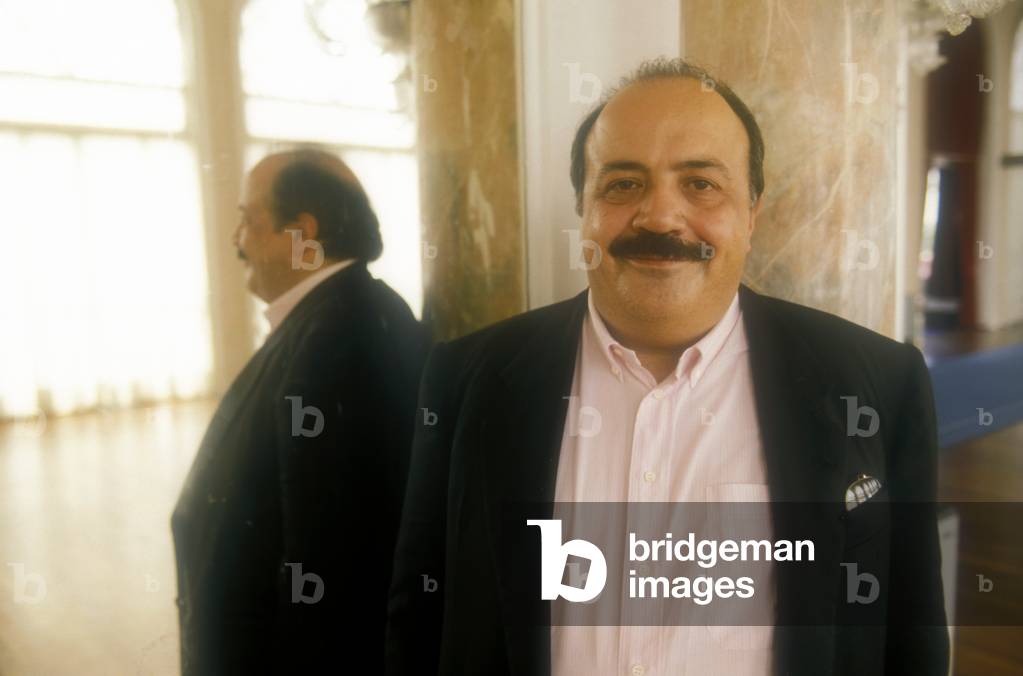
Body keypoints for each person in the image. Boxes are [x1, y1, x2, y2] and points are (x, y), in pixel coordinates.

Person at [386, 58, 948, 676]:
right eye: (622, 183)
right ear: (584, 207)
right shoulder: (466, 379)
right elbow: (420, 615)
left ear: (752, 212)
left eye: (701, 183)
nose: (659, 216)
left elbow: (910, 629)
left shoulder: (877, 383)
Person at [173, 148, 428, 674]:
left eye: (248, 218)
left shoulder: (343, 336)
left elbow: (332, 559)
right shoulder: (329, 317)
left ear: (301, 233)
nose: (236, 240)